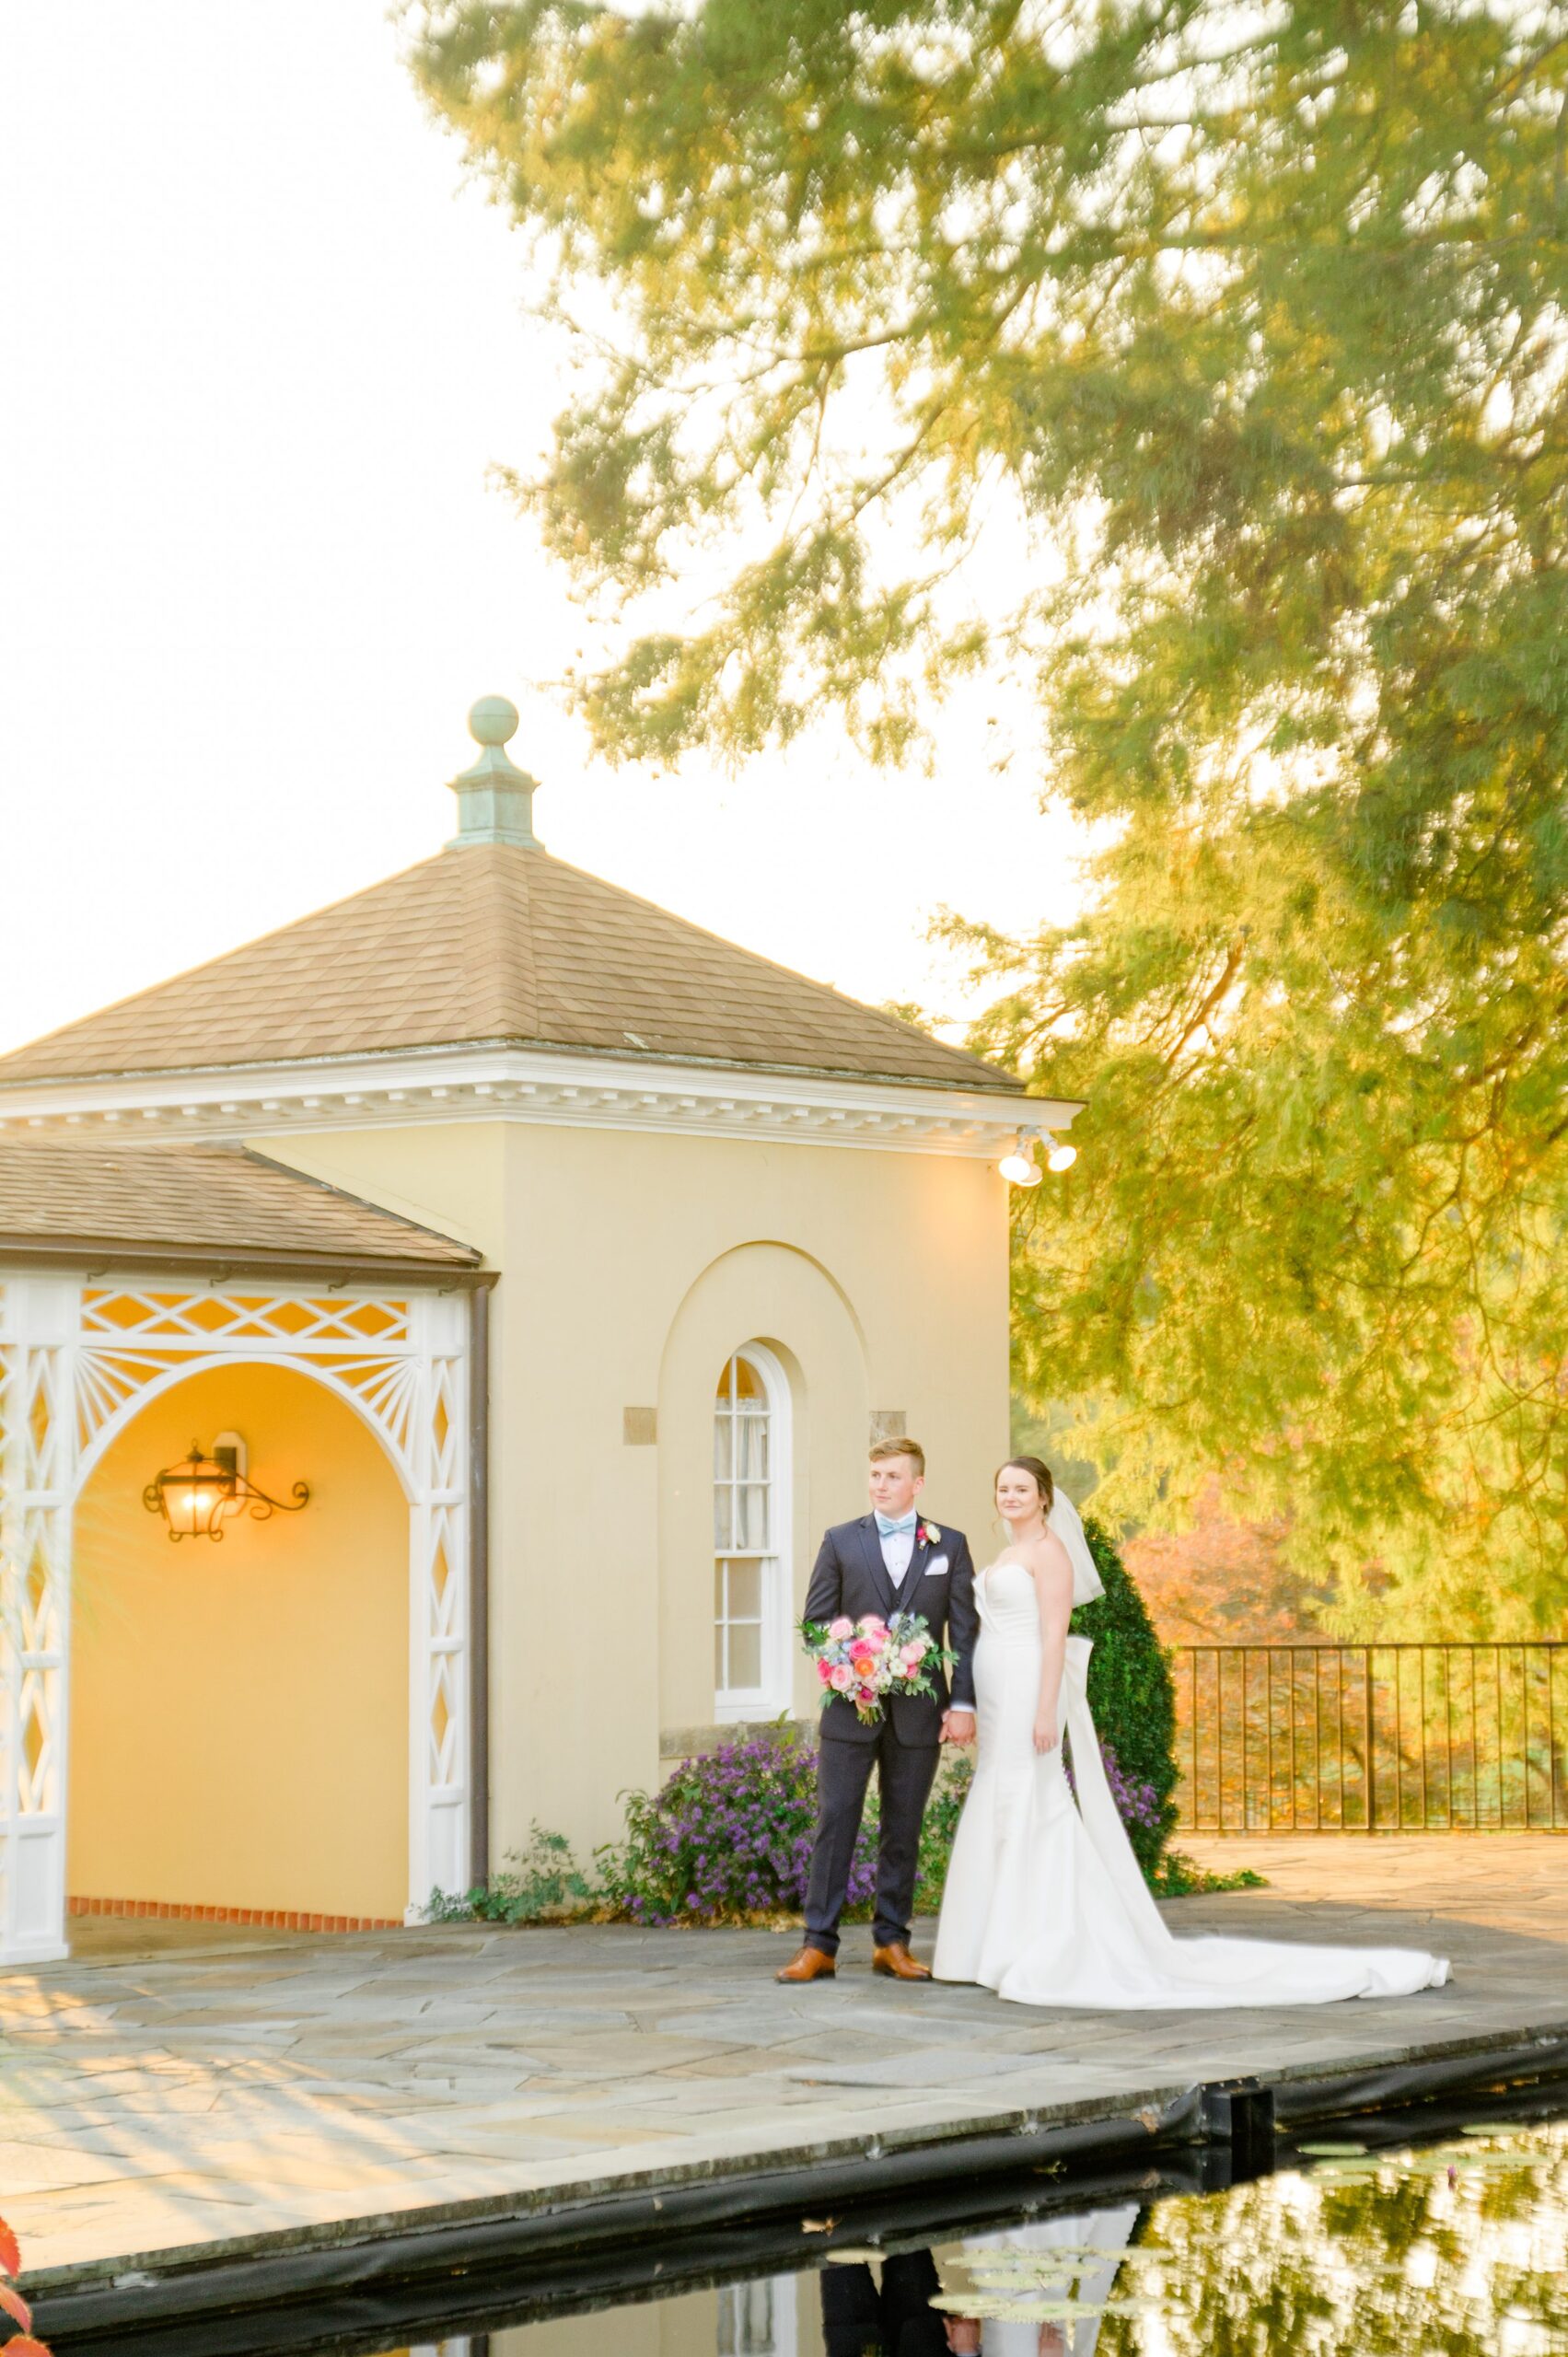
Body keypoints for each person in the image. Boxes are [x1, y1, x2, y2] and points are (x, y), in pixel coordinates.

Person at [932, 1456, 1452, 2006]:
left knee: (1034, 1798)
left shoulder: (1049, 1553)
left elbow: (1055, 1637)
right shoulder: (1009, 1553)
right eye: (1003, 1489)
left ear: (1044, 1497)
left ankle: (1044, 1939)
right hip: (994, 1688)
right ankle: (988, 1943)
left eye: (1022, 1488)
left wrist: (1044, 1712)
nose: (1010, 1496)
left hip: (1029, 1683)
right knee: (1000, 1792)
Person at [776, 1436, 979, 1983]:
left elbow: (963, 1630)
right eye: (874, 1476)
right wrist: (856, 1658)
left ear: (917, 1482)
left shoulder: (949, 1546)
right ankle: (818, 1945)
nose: (881, 1485)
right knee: (835, 1819)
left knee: (902, 1828)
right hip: (850, 1707)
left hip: (919, 1711)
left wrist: (962, 1702)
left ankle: (892, 1941)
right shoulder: (841, 1541)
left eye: (892, 1476)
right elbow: (817, 1625)